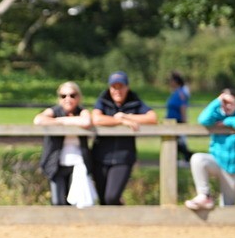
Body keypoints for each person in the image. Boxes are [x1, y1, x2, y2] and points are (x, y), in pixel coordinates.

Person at [91, 71, 157, 205]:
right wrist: (120, 121)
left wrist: (126, 116)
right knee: (103, 198)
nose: (117, 90)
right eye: (114, 87)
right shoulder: (103, 99)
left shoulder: (134, 100)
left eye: (120, 86)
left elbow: (152, 117)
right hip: (100, 156)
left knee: (112, 197)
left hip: (123, 157)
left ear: (127, 87)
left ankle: (121, 219)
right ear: (109, 88)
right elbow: (96, 118)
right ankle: (112, 225)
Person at [35, 82, 96, 207]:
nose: (68, 99)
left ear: (78, 97)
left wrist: (60, 121)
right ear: (59, 98)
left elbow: (86, 121)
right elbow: (38, 120)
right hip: (56, 163)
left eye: (72, 95)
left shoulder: (82, 111)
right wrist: (63, 120)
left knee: (76, 201)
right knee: (58, 202)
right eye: (63, 96)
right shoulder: (54, 111)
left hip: (78, 163)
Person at [184, 88, 235, 211]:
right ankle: (204, 195)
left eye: (231, 103)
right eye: (225, 102)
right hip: (218, 163)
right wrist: (217, 101)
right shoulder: (216, 116)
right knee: (197, 158)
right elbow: (203, 119)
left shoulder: (234, 116)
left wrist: (226, 122)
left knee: (227, 207)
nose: (227, 106)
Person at [167, 71, 192, 165]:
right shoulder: (175, 92)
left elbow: (183, 107)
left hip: (178, 121)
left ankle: (188, 157)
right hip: (171, 121)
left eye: (171, 81)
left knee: (180, 142)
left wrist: (184, 121)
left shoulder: (181, 93)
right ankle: (176, 159)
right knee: (174, 141)